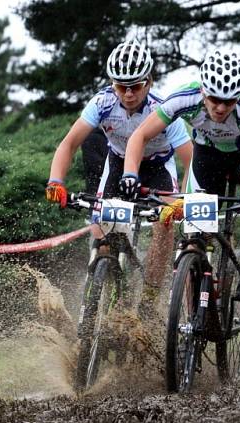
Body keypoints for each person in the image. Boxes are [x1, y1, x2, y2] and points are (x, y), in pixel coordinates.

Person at [124, 49, 240, 301]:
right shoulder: (185, 98)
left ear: (238, 97)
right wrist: (130, 174)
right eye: (214, 99)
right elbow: (140, 135)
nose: (220, 107)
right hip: (206, 156)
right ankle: (193, 305)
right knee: (193, 241)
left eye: (229, 101)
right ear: (203, 91)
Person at [45, 39, 193, 315]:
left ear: (148, 82)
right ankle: (100, 278)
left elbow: (191, 160)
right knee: (100, 224)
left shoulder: (162, 110)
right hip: (117, 164)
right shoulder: (102, 103)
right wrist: (56, 181)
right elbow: (68, 144)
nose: (127, 93)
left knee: (165, 224)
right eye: (120, 86)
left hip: (157, 167)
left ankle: (149, 297)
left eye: (135, 86)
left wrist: (184, 198)